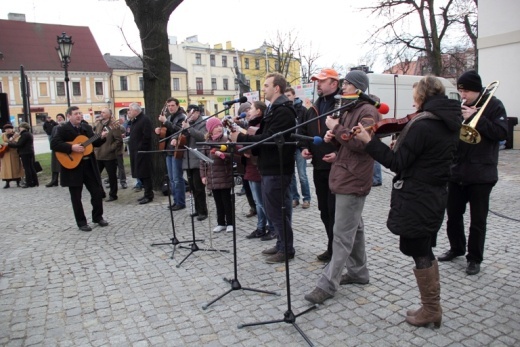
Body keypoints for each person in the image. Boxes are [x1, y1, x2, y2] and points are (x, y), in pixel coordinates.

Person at [354, 75, 462, 327]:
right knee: (423, 248)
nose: (413, 102)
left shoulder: (423, 124)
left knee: (419, 249)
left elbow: (396, 163)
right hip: (434, 194)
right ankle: (430, 306)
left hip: (418, 196)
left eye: (414, 96)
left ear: (421, 96)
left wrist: (369, 142)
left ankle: (432, 309)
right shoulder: (448, 121)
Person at [304, 70, 379, 304]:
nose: (343, 87)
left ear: (357, 88)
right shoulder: (349, 109)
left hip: (354, 179)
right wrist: (332, 137)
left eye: (347, 84)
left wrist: (336, 128)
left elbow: (360, 142)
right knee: (354, 228)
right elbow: (347, 142)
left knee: (342, 234)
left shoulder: (368, 111)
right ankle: (359, 272)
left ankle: (327, 284)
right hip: (344, 174)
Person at [438, 70, 508, 276]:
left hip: (482, 173)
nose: (463, 95)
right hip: (457, 171)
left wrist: (477, 116)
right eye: (460, 90)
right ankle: (456, 248)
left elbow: (501, 133)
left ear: (477, 91)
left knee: (478, 220)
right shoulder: (460, 105)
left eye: (466, 91)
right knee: (453, 215)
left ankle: (474, 258)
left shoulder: (494, 105)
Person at [229, 72, 296, 264]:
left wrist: (241, 139)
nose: (263, 89)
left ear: (277, 88)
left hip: (277, 168)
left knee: (276, 210)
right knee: (273, 209)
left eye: (266, 85)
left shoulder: (283, 111)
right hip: (270, 166)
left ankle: (286, 249)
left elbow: (269, 140)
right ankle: (282, 244)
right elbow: (265, 137)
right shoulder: (274, 109)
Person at [299, 68, 341, 262]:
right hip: (319, 167)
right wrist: (304, 147)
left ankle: (339, 250)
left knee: (336, 212)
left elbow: (352, 136)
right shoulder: (314, 107)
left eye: (322, 81)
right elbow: (305, 131)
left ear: (334, 83)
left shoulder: (342, 105)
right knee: (324, 210)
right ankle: (331, 247)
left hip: (338, 168)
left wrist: (339, 153)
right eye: (317, 81)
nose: (318, 84)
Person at [51, 106, 109, 231]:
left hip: (89, 166)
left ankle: (97, 217)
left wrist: (102, 137)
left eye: (80, 113)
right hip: (73, 167)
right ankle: (81, 222)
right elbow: (54, 144)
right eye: (76, 114)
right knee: (76, 197)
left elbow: (93, 143)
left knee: (97, 192)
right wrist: (71, 148)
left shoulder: (86, 128)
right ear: (69, 116)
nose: (79, 116)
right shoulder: (62, 129)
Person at [241, 101, 276, 240]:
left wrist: (247, 148)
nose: (248, 111)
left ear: (259, 111)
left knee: (262, 202)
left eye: (252, 109)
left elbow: (257, 146)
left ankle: (270, 228)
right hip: (250, 167)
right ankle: (261, 227)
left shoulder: (260, 126)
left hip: (257, 167)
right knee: (258, 202)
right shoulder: (250, 125)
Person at [171, 105, 208, 220]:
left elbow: (202, 137)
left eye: (191, 113)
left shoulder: (203, 123)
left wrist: (189, 128)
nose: (189, 115)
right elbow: (180, 134)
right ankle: (197, 209)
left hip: (197, 159)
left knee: (199, 188)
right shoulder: (188, 123)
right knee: (192, 187)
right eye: (187, 112)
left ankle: (203, 211)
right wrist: (175, 138)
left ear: (197, 113)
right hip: (187, 159)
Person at [200, 117, 235, 232]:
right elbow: (203, 161)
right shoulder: (206, 143)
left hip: (224, 176)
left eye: (220, 126)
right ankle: (221, 223)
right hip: (213, 177)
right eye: (216, 127)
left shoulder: (225, 140)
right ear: (210, 130)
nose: (219, 128)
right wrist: (203, 176)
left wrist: (224, 156)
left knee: (226, 201)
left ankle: (230, 222)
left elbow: (232, 156)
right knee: (217, 201)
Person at [155, 97, 187, 211]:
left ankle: (181, 202)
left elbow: (179, 130)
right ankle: (175, 201)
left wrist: (166, 122)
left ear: (177, 105)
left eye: (172, 105)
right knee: (172, 178)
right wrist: (160, 131)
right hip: (168, 150)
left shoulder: (182, 117)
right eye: (169, 106)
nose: (170, 108)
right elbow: (167, 132)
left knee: (177, 178)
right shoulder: (169, 117)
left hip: (177, 149)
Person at [284, 87, 311, 209]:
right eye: (285, 96)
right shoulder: (285, 110)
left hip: (300, 146)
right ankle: (295, 198)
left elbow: (306, 130)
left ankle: (306, 198)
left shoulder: (303, 110)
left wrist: (305, 145)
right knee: (291, 176)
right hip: (289, 147)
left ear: (294, 95)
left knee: (302, 175)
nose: (287, 98)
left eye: (289, 95)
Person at [127, 102, 154, 204]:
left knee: (145, 174)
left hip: (142, 152)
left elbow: (147, 136)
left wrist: (140, 148)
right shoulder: (134, 121)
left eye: (130, 110)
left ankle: (149, 195)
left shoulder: (144, 119)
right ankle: (146, 194)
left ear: (135, 110)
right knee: (139, 173)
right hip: (135, 152)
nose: (128, 112)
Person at [94, 108, 122, 202]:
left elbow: (118, 140)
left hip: (109, 156)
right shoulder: (99, 124)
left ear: (109, 115)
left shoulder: (114, 125)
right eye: (101, 112)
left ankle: (113, 194)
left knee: (112, 176)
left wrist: (110, 148)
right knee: (96, 175)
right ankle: (101, 193)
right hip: (98, 154)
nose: (102, 113)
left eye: (104, 112)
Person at [7, 122, 38, 188]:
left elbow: (19, 144)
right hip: (29, 152)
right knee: (31, 167)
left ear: (23, 127)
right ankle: (35, 182)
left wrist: (8, 144)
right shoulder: (28, 134)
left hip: (25, 152)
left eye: (20, 127)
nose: (19, 128)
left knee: (27, 168)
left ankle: (29, 182)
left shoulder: (24, 134)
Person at [45, 114, 66, 187]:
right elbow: (51, 136)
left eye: (61, 117)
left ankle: (64, 180)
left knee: (64, 164)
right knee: (54, 164)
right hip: (55, 147)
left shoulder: (66, 126)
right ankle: (54, 180)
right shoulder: (55, 127)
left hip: (63, 147)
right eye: (58, 118)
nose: (59, 119)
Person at [0, 124, 23, 188]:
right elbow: (1, 142)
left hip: (14, 153)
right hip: (5, 154)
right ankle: (7, 183)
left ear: (12, 129)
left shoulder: (16, 135)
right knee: (6, 169)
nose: (8, 130)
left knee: (16, 167)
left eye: (9, 128)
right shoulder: (2, 135)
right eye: (6, 129)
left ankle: (18, 182)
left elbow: (16, 143)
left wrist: (8, 143)